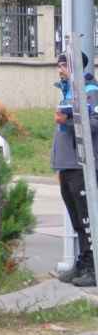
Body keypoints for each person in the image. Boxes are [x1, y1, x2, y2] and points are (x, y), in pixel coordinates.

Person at [53, 52, 98, 287]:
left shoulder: (90, 90)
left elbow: (94, 124)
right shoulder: (66, 90)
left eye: (64, 65)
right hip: (67, 166)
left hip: (82, 167)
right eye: (59, 65)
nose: (59, 69)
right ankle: (83, 261)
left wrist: (67, 122)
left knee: (87, 219)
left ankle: (93, 266)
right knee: (77, 221)